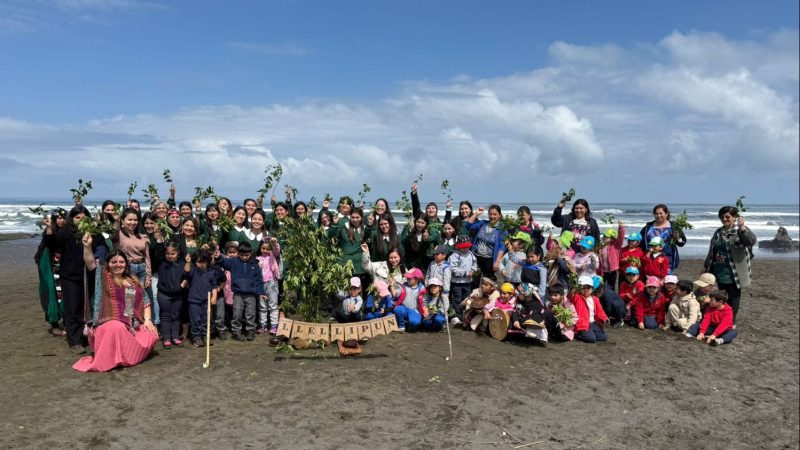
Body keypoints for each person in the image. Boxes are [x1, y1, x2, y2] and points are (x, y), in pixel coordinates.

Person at [73, 235, 158, 372]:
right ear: (107, 264)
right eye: (114, 262)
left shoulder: (132, 283)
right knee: (115, 327)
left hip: (127, 324)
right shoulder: (103, 276)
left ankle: (126, 357)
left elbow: (144, 303)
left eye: (121, 262)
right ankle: (111, 358)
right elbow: (90, 262)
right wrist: (87, 246)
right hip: (106, 324)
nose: (118, 265)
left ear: (126, 265)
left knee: (151, 334)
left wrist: (148, 320)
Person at [43, 206, 107, 354]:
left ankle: (88, 337)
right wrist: (50, 229)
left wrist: (99, 257)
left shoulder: (93, 232)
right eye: (77, 217)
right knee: (73, 309)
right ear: (71, 219)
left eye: (83, 218)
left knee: (89, 307)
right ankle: (75, 341)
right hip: (70, 276)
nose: (80, 220)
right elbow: (52, 244)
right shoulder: (66, 232)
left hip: (90, 275)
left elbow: (102, 246)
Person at [703, 206, 757, 321]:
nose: (725, 219)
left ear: (734, 217)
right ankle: (723, 318)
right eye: (722, 217)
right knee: (721, 296)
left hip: (734, 271)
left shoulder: (740, 231)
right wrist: (706, 265)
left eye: (727, 216)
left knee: (734, 297)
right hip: (719, 269)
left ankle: (731, 320)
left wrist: (742, 227)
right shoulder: (718, 232)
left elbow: (751, 241)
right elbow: (712, 250)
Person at [217, 242, 265, 341]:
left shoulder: (254, 264)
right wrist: (218, 257)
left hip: (251, 293)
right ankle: (236, 331)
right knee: (237, 313)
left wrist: (260, 292)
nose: (244, 257)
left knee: (250, 313)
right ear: (238, 253)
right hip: (238, 293)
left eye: (246, 255)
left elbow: (258, 279)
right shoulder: (233, 261)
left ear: (251, 253)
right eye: (241, 255)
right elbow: (224, 262)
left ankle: (250, 330)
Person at [34, 208, 67, 336]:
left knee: (63, 294)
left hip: (62, 268)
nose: (61, 220)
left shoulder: (67, 232)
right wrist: (49, 228)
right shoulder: (49, 232)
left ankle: (65, 321)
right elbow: (48, 243)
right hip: (50, 268)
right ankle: (54, 325)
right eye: (58, 217)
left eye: (63, 217)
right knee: (51, 293)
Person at [183, 250, 219, 348]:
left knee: (205, 320)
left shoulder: (211, 273)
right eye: (199, 262)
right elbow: (186, 273)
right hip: (194, 300)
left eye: (203, 262)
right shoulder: (193, 270)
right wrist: (188, 262)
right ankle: (196, 337)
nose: (201, 264)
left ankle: (205, 336)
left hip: (206, 300)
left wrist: (214, 297)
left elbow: (214, 286)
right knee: (196, 320)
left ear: (207, 261)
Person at [640, 204, 687, 273]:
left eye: (661, 213)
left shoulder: (673, 226)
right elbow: (640, 241)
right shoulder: (648, 227)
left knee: (667, 281)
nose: (658, 215)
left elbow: (682, 242)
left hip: (668, 259)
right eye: (656, 214)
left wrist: (677, 237)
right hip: (651, 259)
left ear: (666, 214)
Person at [157, 242, 187, 348]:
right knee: (165, 316)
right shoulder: (161, 263)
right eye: (168, 253)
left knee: (176, 315)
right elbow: (159, 251)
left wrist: (183, 285)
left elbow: (187, 275)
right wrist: (160, 241)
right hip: (163, 294)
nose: (170, 256)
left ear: (178, 253)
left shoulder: (182, 263)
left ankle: (175, 337)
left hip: (177, 294)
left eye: (173, 253)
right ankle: (166, 338)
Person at [466, 205, 508, 280]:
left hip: (489, 259)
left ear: (499, 215)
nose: (492, 216)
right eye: (490, 214)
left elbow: (502, 246)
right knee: (474, 280)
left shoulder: (502, 228)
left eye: (495, 214)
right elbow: (468, 225)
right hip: (476, 257)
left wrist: (497, 261)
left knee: (488, 282)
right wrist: (476, 213)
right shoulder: (483, 223)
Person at [448, 235, 476, 325]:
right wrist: (465, 273)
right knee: (457, 299)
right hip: (457, 282)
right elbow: (453, 268)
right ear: (458, 246)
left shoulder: (471, 254)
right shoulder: (455, 255)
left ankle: (465, 315)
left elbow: (475, 263)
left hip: (468, 281)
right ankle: (455, 316)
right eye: (462, 247)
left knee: (467, 299)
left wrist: (473, 270)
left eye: (466, 247)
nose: (465, 249)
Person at [572, 275, 609, 343]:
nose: (586, 290)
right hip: (582, 324)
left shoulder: (595, 299)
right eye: (583, 288)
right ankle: (576, 334)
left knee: (604, 337)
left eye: (588, 288)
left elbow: (600, 311)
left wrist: (604, 318)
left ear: (592, 288)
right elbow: (571, 294)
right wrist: (573, 282)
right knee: (591, 339)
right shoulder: (577, 297)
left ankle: (590, 332)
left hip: (593, 323)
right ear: (579, 288)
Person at [256, 237, 281, 335]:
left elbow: (276, 249)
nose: (265, 251)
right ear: (260, 248)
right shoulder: (257, 259)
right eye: (263, 248)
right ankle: (262, 325)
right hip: (261, 284)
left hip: (272, 283)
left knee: (273, 306)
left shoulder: (273, 256)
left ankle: (274, 326)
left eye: (267, 249)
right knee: (262, 307)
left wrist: (274, 244)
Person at [598, 223, 625, 291]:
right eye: (604, 236)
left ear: (612, 239)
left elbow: (621, 238)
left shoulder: (616, 246)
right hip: (603, 271)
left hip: (612, 271)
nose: (604, 237)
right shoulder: (601, 246)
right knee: (601, 287)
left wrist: (621, 228)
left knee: (611, 287)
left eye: (606, 237)